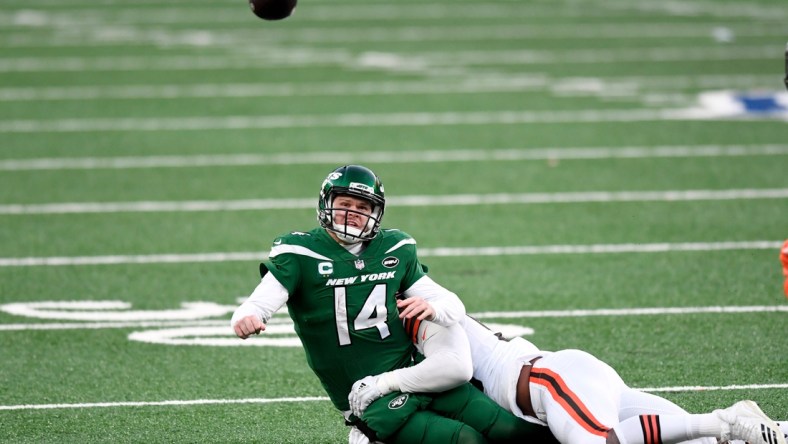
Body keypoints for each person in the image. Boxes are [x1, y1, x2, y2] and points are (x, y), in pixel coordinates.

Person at [231, 165, 557, 443]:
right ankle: (366, 433)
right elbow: (261, 301)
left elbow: (446, 300)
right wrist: (247, 316)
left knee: (509, 430)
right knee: (464, 439)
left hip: (418, 375)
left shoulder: (395, 247)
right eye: (345, 204)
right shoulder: (299, 253)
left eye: (362, 208)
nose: (352, 214)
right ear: (326, 204)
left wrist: (434, 308)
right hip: (367, 397)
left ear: (376, 213)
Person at [349, 314, 787, 444]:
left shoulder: (422, 314)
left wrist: (385, 386)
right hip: (572, 379)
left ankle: (724, 419)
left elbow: (454, 370)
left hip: (547, 383)